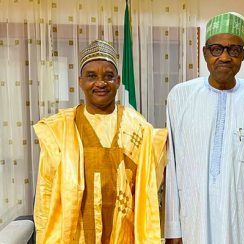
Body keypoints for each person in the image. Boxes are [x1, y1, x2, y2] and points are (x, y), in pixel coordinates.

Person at [164, 12, 244, 244]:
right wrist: (172, 230)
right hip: (193, 225)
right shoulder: (180, 96)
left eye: (234, 50)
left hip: (242, 226)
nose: (225, 57)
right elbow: (172, 168)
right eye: (217, 49)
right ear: (205, 52)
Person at [33, 40, 167, 243]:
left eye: (108, 76)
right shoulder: (60, 129)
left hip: (122, 233)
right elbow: (46, 192)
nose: (101, 83)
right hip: (75, 234)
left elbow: (146, 191)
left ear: (118, 81)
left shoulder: (137, 127)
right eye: (91, 76)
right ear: (80, 81)